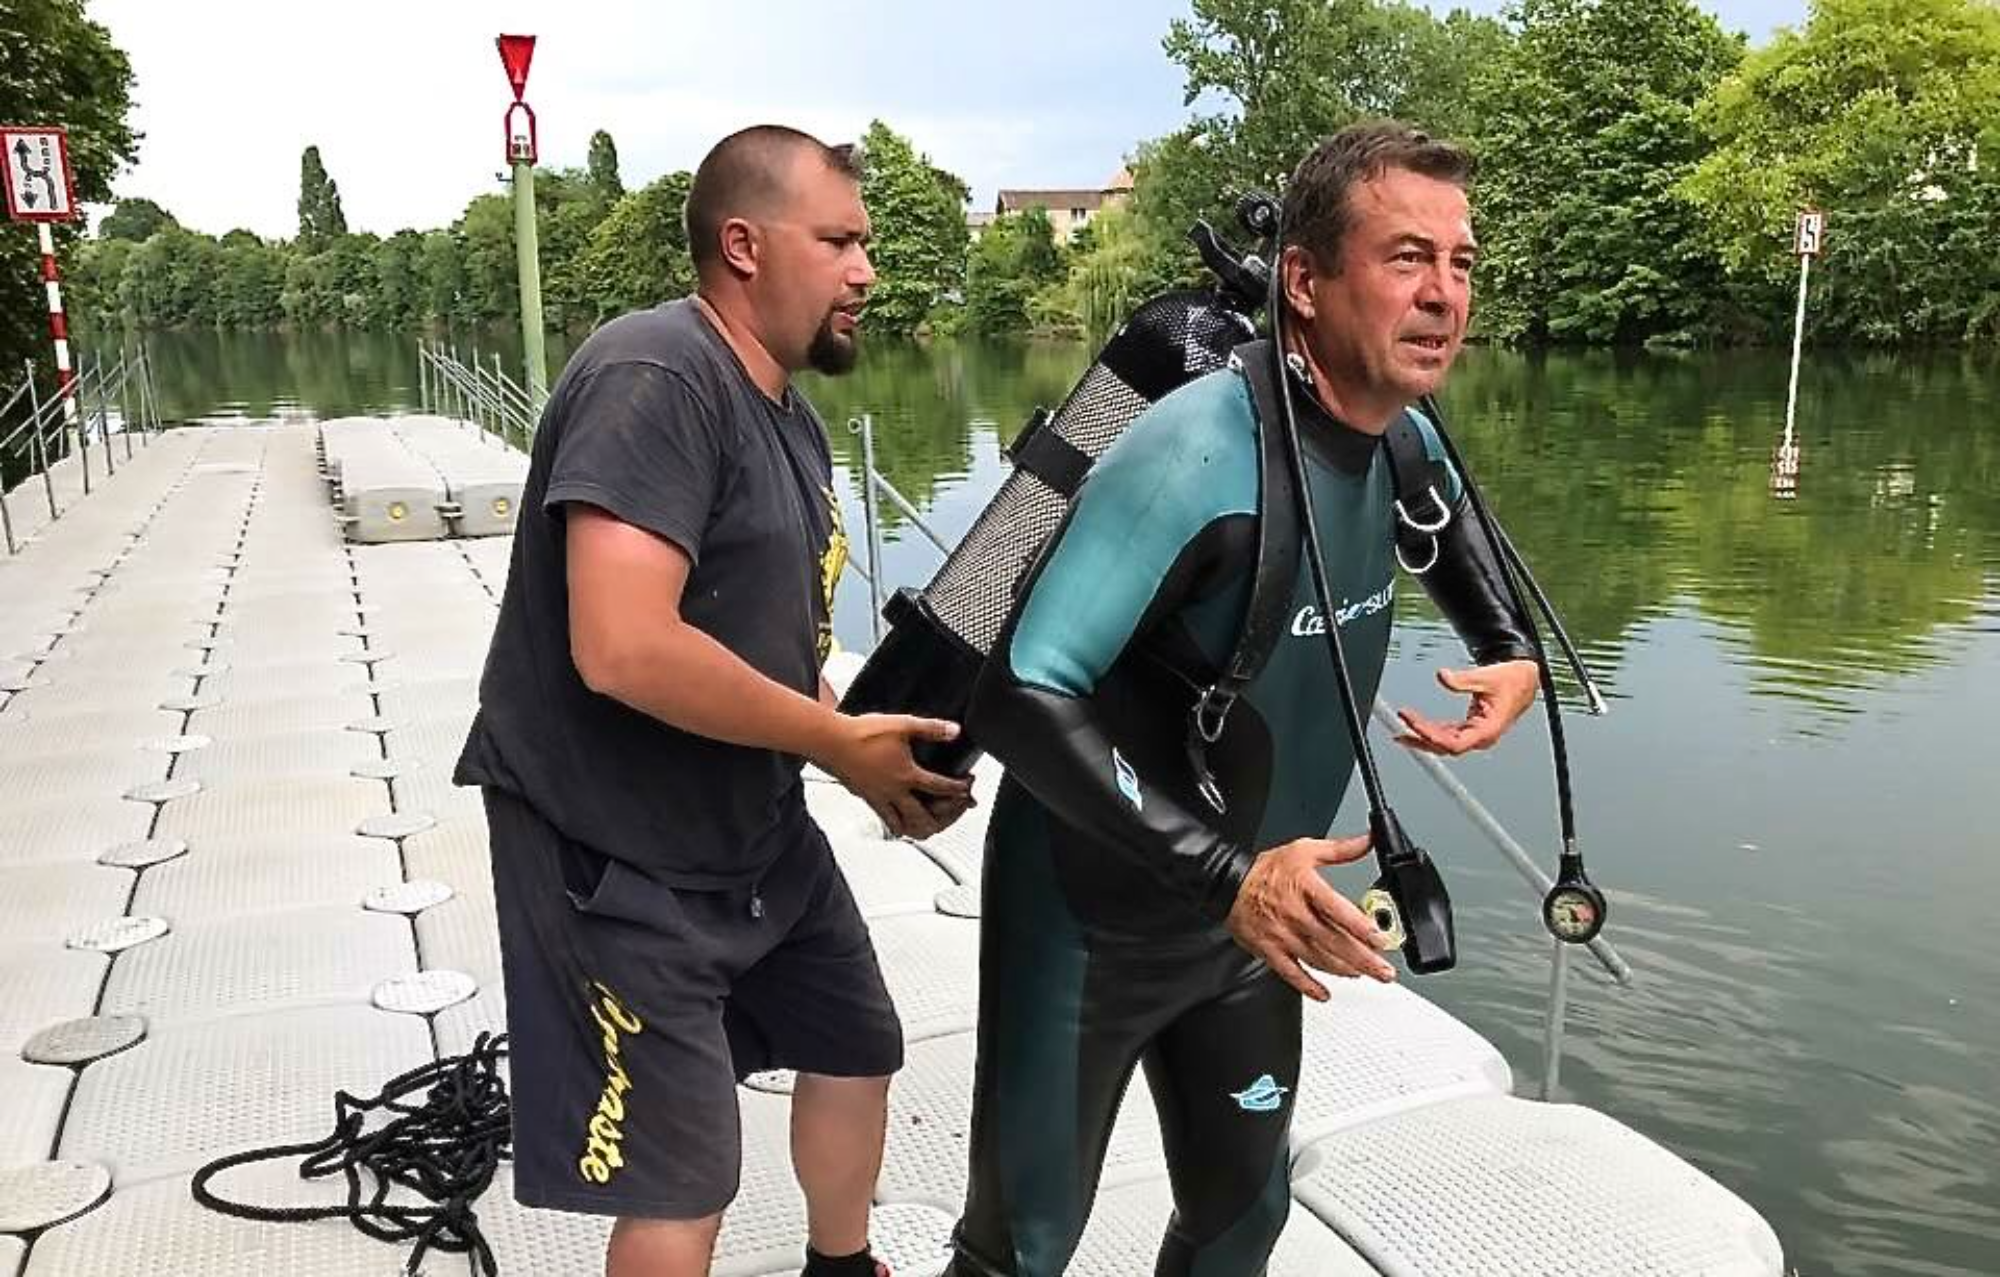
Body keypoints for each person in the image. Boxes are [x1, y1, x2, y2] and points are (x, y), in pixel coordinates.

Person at [943, 121, 1543, 1276]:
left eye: (1460, 262)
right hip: (1088, 926)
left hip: (1247, 929)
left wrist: (1510, 652)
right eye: (1406, 257)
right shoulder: (1196, 451)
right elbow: (1018, 691)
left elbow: (1463, 544)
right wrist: (1229, 876)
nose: (1442, 293)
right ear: (1304, 282)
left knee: (1240, 1220)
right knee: (1019, 1247)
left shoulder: (1404, 440)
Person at [454, 124, 974, 1277]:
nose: (865, 271)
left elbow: (772, 647)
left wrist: (866, 748)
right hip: (610, 849)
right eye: (836, 241)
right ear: (743, 245)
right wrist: (834, 742)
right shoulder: (655, 376)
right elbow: (622, 644)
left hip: (750, 829)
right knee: (683, 1171)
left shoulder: (789, 415)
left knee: (855, 1041)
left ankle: (842, 1265)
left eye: (866, 244)